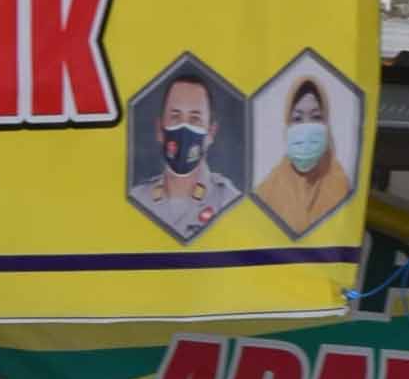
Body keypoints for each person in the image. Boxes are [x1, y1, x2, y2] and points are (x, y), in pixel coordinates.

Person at [254, 62, 357, 243]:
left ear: (327, 123)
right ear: (287, 125)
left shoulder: (342, 186)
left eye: (316, 117)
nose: (306, 126)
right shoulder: (267, 191)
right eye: (297, 118)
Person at [130, 70, 236, 243]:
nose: (184, 127)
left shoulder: (229, 201)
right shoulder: (137, 199)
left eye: (195, 119)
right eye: (175, 116)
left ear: (210, 133)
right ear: (159, 129)